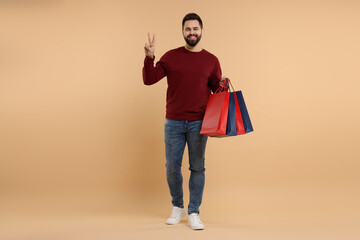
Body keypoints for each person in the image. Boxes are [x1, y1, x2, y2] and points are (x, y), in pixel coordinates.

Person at [142, 13, 226, 230]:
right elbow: (149, 80)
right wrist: (149, 57)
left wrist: (223, 85)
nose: (192, 33)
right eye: (188, 29)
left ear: (202, 31)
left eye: (195, 29)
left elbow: (217, 89)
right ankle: (177, 207)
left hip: (200, 123)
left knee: (197, 168)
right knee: (172, 167)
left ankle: (194, 212)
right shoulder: (170, 57)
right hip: (173, 122)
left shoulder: (211, 60)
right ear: (182, 31)